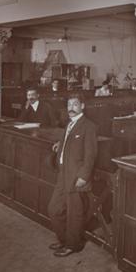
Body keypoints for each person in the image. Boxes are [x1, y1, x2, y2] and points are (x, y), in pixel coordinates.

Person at [47, 94, 98, 257]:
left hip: (76, 175)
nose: (71, 108)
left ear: (82, 106)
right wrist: (61, 144)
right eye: (69, 105)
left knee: (74, 213)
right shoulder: (70, 124)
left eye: (75, 104)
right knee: (54, 209)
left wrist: (83, 176)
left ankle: (72, 245)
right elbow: (70, 142)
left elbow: (90, 155)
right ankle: (64, 239)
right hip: (63, 173)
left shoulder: (89, 126)